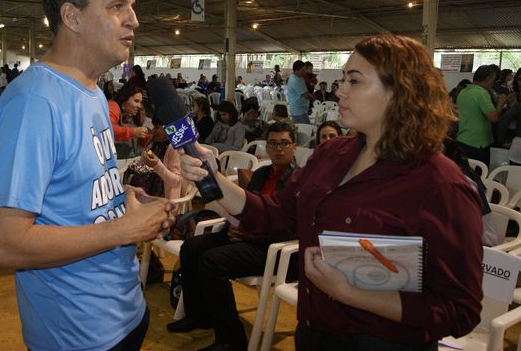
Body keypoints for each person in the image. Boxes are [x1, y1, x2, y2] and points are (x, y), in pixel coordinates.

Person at [178, 34, 483, 351]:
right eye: (343, 79)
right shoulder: (332, 154)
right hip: (314, 330)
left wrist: (351, 293)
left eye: (354, 81)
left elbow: (458, 310)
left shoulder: (440, 185)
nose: (340, 90)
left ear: (398, 92)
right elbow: (276, 213)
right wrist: (214, 178)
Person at [0, 0, 173, 351]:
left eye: (132, 7)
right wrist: (123, 230)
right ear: (72, 17)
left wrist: (126, 201)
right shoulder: (34, 102)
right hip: (78, 333)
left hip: (124, 311)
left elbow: (80, 194)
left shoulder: (91, 91)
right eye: (117, 6)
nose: (134, 20)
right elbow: (5, 245)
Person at [167, 122, 298, 351]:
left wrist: (249, 233)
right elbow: (244, 208)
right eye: (273, 143)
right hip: (247, 235)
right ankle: (199, 315)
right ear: (267, 147)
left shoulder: (298, 180)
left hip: (273, 246)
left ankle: (231, 340)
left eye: (284, 143)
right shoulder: (260, 174)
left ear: (294, 146)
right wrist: (234, 226)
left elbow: (291, 226)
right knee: (192, 247)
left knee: (212, 262)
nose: (279, 149)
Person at [456, 65, 508, 166]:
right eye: (493, 81)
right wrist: (500, 104)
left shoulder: (463, 92)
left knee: (465, 171)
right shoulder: (481, 93)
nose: (492, 84)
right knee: (479, 173)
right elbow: (493, 118)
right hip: (478, 143)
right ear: (488, 79)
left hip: (462, 140)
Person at [109, 85, 149, 158]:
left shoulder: (127, 116)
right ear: (124, 100)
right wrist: (133, 132)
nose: (140, 106)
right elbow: (108, 129)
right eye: (136, 101)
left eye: (140, 102)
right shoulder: (113, 106)